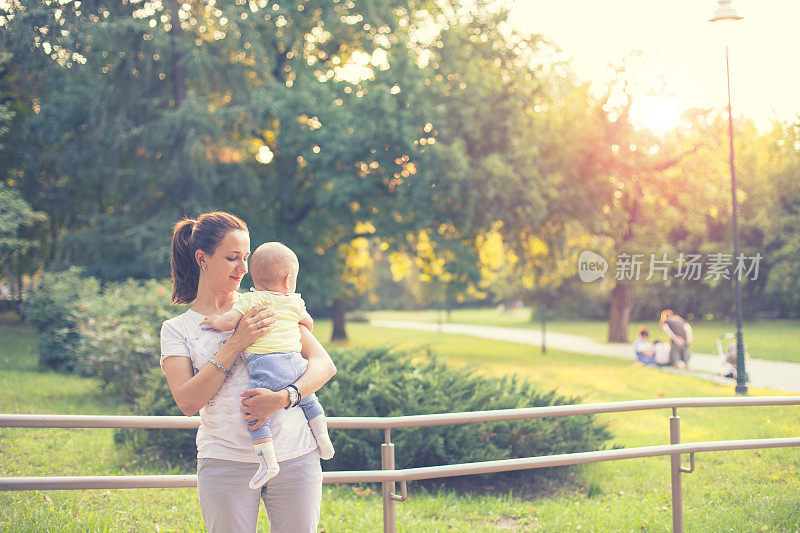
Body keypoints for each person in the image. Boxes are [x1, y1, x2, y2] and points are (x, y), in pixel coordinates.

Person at [160, 211, 336, 533]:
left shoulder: (267, 304)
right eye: (232, 258)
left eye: (246, 257)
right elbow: (187, 402)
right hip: (225, 462)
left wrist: (284, 398)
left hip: (296, 455)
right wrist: (237, 341)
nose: (244, 268)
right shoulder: (177, 330)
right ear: (202, 258)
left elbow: (324, 364)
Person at [201, 241, 334, 489]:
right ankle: (323, 439)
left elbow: (229, 322)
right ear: (288, 280)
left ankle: (267, 461)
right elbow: (308, 324)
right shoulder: (294, 301)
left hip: (266, 365)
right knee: (309, 399)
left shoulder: (250, 300)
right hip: (295, 362)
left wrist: (214, 321)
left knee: (255, 414)